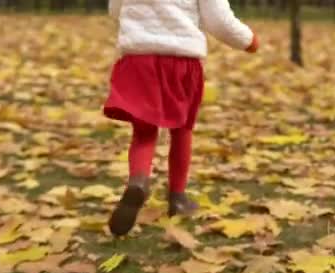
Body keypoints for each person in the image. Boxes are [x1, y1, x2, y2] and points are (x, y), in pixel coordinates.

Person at [105, 0, 259, 236]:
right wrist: (247, 40)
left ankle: (138, 181)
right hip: (181, 60)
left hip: (139, 59)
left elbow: (115, 9)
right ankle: (178, 198)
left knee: (144, 131)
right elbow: (219, 20)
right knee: (182, 129)